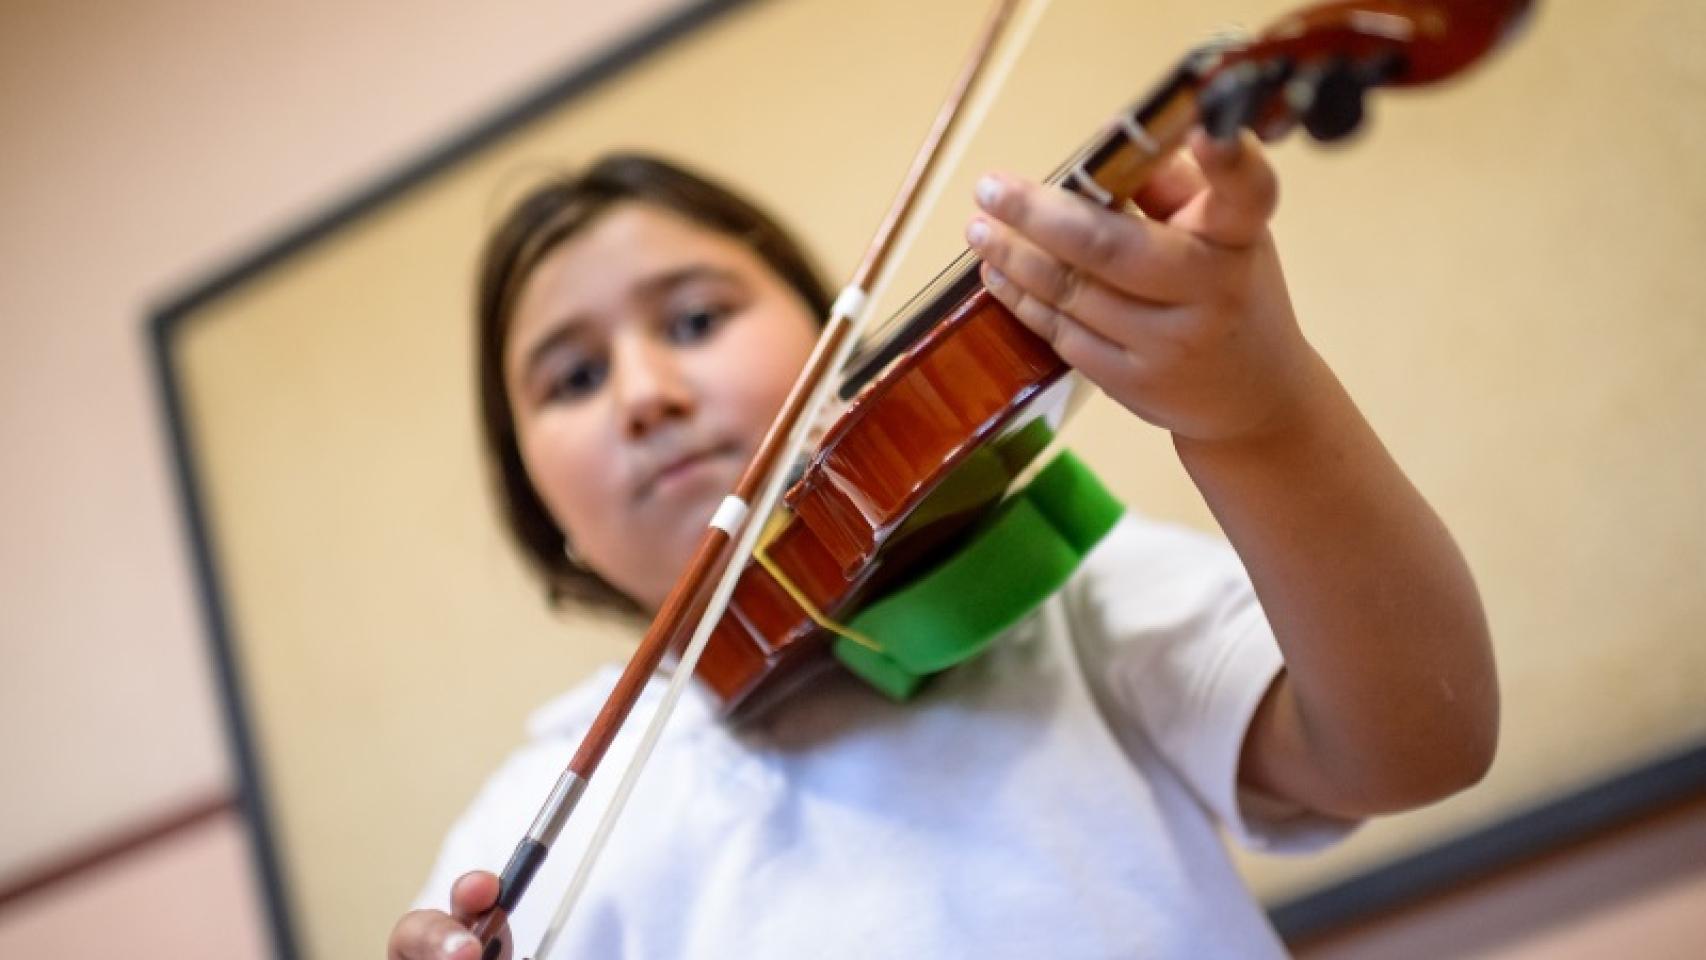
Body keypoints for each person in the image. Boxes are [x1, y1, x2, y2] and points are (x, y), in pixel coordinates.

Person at [387, 136, 1498, 959]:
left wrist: (1261, 414)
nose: (645, 395)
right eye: (572, 379)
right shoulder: (524, 825)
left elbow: (1418, 743)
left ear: (838, 349)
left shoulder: (1056, 599)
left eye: (691, 321)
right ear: (548, 520)